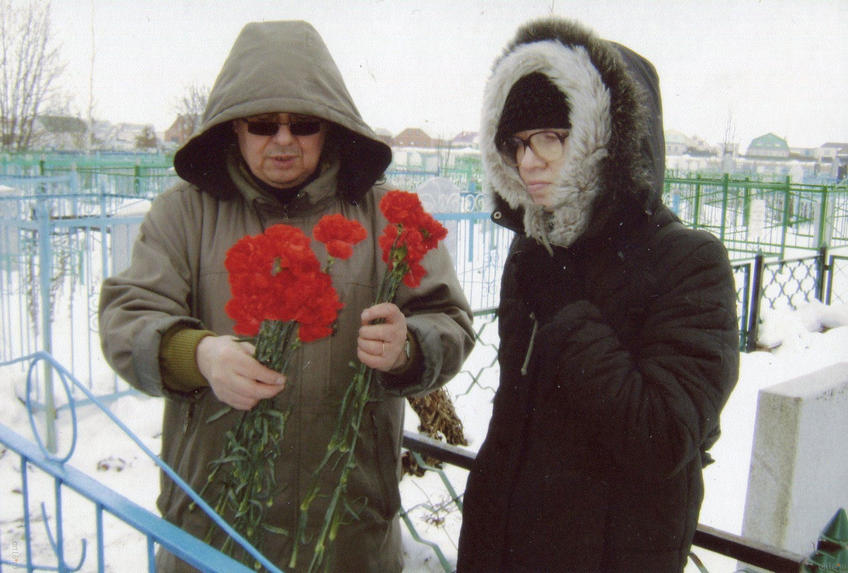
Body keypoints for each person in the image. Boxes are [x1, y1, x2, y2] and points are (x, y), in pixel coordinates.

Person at [98, 20, 474, 572]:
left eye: (303, 124)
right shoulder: (185, 212)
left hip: (346, 530)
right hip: (215, 522)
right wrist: (198, 355)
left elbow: (450, 321)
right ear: (233, 128)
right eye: (261, 124)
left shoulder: (380, 211)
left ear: (330, 128)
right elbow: (127, 317)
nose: (282, 140)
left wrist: (409, 347)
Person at [457, 17, 739, 573]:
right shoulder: (534, 252)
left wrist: (567, 314)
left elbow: (665, 437)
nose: (528, 160)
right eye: (516, 143)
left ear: (606, 141)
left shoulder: (689, 262)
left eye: (551, 138)